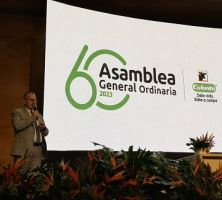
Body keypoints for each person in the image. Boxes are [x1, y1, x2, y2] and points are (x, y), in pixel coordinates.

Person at [11, 91, 49, 171]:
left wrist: (44, 128)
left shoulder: (38, 115)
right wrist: (32, 117)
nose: (34, 102)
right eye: (31, 100)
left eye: (35, 100)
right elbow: (18, 126)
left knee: (34, 177)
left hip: (37, 150)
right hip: (23, 150)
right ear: (24, 101)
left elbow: (45, 133)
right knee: (20, 176)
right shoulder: (17, 112)